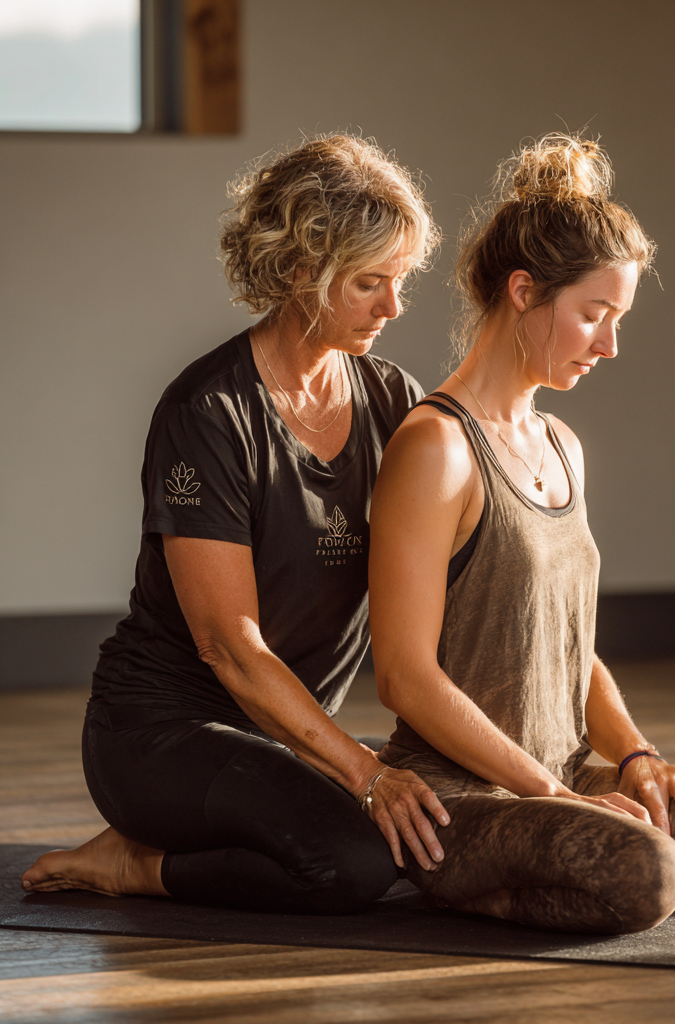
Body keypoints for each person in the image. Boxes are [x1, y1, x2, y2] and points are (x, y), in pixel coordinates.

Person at [368, 134, 675, 935]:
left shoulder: (562, 445)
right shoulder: (434, 446)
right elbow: (404, 678)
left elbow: (568, 644)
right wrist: (550, 797)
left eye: (617, 319)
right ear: (523, 291)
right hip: (462, 802)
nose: (609, 344)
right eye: (594, 315)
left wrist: (636, 758)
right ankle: (588, 871)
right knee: (647, 868)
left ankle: (603, 870)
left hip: (562, 782)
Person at [22, 135, 452, 913]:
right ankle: (131, 864)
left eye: (400, 283)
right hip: (158, 734)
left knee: (433, 837)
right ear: (298, 270)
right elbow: (231, 646)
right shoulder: (209, 413)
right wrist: (365, 772)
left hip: (279, 742)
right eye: (368, 284)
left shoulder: (393, 401)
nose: (392, 308)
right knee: (354, 864)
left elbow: (454, 579)